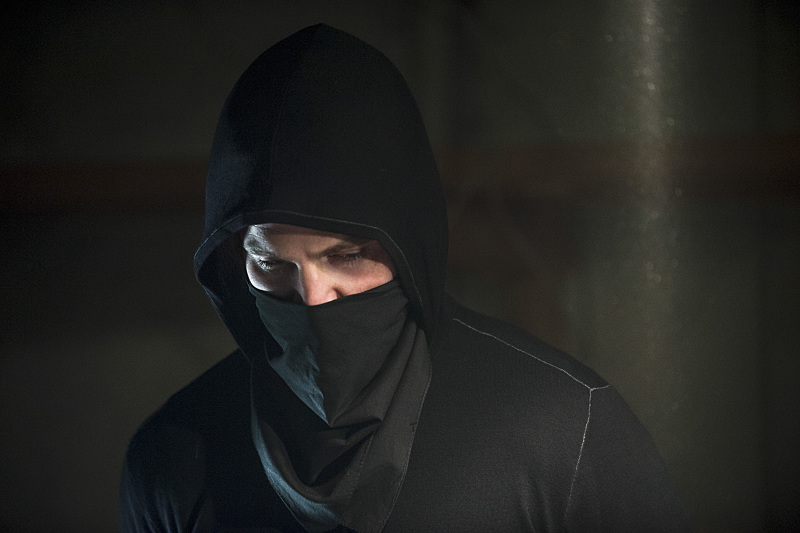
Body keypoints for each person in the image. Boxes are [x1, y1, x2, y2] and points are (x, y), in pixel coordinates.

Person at [119, 24, 690, 532]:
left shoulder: (565, 432)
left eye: (347, 256)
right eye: (271, 265)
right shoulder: (173, 459)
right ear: (231, 264)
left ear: (408, 246)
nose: (314, 299)